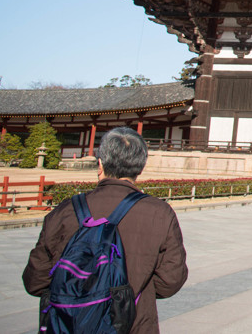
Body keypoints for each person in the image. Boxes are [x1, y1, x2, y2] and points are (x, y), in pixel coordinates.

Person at [23, 127, 188, 332]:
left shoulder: (65, 211)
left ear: (99, 164)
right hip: (134, 324)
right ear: (140, 167)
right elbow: (170, 281)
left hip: (68, 324)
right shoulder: (160, 213)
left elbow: (34, 281)